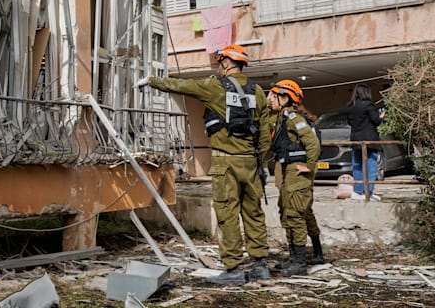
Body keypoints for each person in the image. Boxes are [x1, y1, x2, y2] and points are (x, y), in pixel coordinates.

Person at [136, 44, 272, 284]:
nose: (219, 68)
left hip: (225, 161)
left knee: (227, 214)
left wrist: (152, 80)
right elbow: (264, 130)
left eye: (220, 63)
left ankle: (234, 270)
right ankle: (261, 265)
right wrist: (262, 162)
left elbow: (181, 86)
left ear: (227, 63)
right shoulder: (258, 92)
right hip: (251, 162)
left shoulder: (215, 86)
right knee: (253, 212)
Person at [267, 80, 322, 276]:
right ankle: (294, 258)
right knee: (287, 212)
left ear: (286, 98)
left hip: (297, 171)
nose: (271, 99)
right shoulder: (281, 117)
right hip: (288, 168)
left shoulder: (292, 117)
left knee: (296, 214)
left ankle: (300, 263)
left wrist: (308, 166)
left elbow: (313, 144)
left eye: (274, 95)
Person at [346, 83, 385, 200]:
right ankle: (368, 192)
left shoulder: (350, 106)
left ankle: (357, 191)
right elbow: (376, 120)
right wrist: (382, 115)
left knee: (357, 165)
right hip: (369, 140)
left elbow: (350, 122)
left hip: (355, 139)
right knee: (370, 166)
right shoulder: (368, 105)